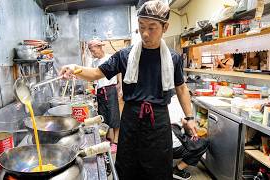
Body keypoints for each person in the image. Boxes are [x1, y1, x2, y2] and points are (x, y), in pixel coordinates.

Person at [60, 1, 197, 179]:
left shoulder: (173, 58)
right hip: (131, 119)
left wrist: (190, 118)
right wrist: (75, 68)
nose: (145, 33)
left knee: (159, 169)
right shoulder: (125, 55)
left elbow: (181, 88)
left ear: (165, 27)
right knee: (128, 167)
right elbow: (95, 73)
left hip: (159, 121)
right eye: (141, 27)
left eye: (152, 27)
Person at [87, 39, 121, 153]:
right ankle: (107, 139)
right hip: (100, 92)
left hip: (110, 90)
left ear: (100, 47)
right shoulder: (94, 63)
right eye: (91, 51)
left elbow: (118, 72)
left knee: (114, 116)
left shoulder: (110, 58)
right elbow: (93, 78)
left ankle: (116, 142)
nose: (92, 53)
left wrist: (120, 84)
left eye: (93, 50)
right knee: (103, 117)